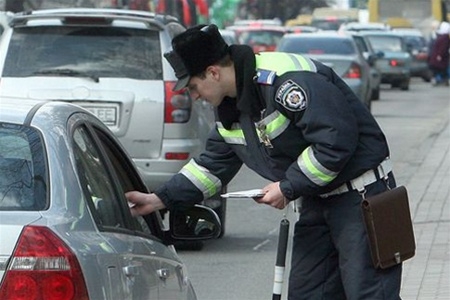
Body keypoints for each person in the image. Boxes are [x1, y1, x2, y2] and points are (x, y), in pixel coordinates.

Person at [126, 24, 402, 299]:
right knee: (309, 294)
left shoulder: (287, 81)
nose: (194, 95)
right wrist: (159, 200)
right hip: (318, 201)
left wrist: (287, 186)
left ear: (213, 72)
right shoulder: (230, 107)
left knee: (371, 294)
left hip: (362, 198)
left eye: (193, 87)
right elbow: (211, 166)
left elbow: (335, 141)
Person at [428, 21, 450, 86]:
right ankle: (441, 79)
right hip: (441, 58)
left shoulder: (441, 37)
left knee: (438, 69)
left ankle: (438, 79)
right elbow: (443, 48)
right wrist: (440, 55)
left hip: (437, 57)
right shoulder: (445, 38)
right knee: (442, 69)